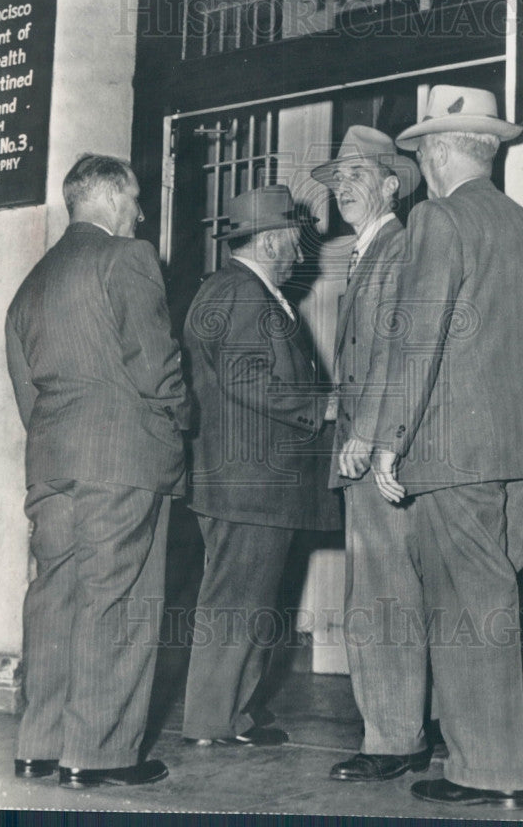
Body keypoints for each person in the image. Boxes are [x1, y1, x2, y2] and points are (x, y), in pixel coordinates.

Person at [361, 86, 523, 809]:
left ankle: (484, 771)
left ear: (435, 152)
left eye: (421, 151)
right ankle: (495, 766)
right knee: (489, 599)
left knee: (464, 607)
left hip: (459, 450)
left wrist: (390, 440)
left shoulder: (437, 218)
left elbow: (418, 336)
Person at [5, 153, 190, 789]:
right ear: (110, 199)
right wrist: (179, 423)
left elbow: (27, 391)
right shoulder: (128, 260)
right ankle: (98, 755)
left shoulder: (32, 281)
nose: (141, 212)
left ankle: (38, 746)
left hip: (51, 461)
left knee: (54, 598)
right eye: (136, 199)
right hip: (121, 458)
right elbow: (156, 365)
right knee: (120, 600)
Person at [181, 184, 341, 747]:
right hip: (248, 484)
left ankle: (231, 715)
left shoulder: (247, 292)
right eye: (294, 240)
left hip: (252, 486)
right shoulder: (240, 293)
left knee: (247, 602)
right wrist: (320, 405)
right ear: (273, 241)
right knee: (235, 602)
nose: (300, 252)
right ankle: (209, 720)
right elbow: (247, 379)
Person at [308, 126, 430, 782]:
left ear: (391, 183)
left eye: (358, 174)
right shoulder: (365, 252)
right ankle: (395, 730)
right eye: (337, 178)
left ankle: (393, 740)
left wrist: (368, 431)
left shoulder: (397, 248)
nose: (343, 187)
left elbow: (397, 348)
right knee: (374, 595)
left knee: (381, 598)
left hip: (377, 450)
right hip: (364, 447)